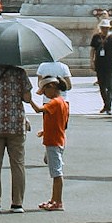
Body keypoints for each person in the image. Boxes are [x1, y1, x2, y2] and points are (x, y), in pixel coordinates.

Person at [0, 57, 36, 212]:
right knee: (18, 164)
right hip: (15, 124)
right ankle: (17, 203)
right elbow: (27, 98)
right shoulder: (20, 73)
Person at [37, 75, 69, 211]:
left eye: (45, 91)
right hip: (56, 139)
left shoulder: (55, 102)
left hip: (54, 141)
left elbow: (38, 109)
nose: (44, 94)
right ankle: (54, 199)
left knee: (56, 173)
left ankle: (58, 201)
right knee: (55, 171)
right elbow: (60, 123)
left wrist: (28, 100)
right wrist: (45, 131)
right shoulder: (63, 102)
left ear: (52, 87)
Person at [89, 21, 112, 117]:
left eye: (106, 28)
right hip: (99, 63)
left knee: (110, 86)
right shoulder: (96, 37)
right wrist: (91, 61)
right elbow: (92, 50)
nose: (104, 30)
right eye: (103, 28)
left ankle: (108, 106)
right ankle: (106, 104)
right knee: (102, 85)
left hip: (110, 64)